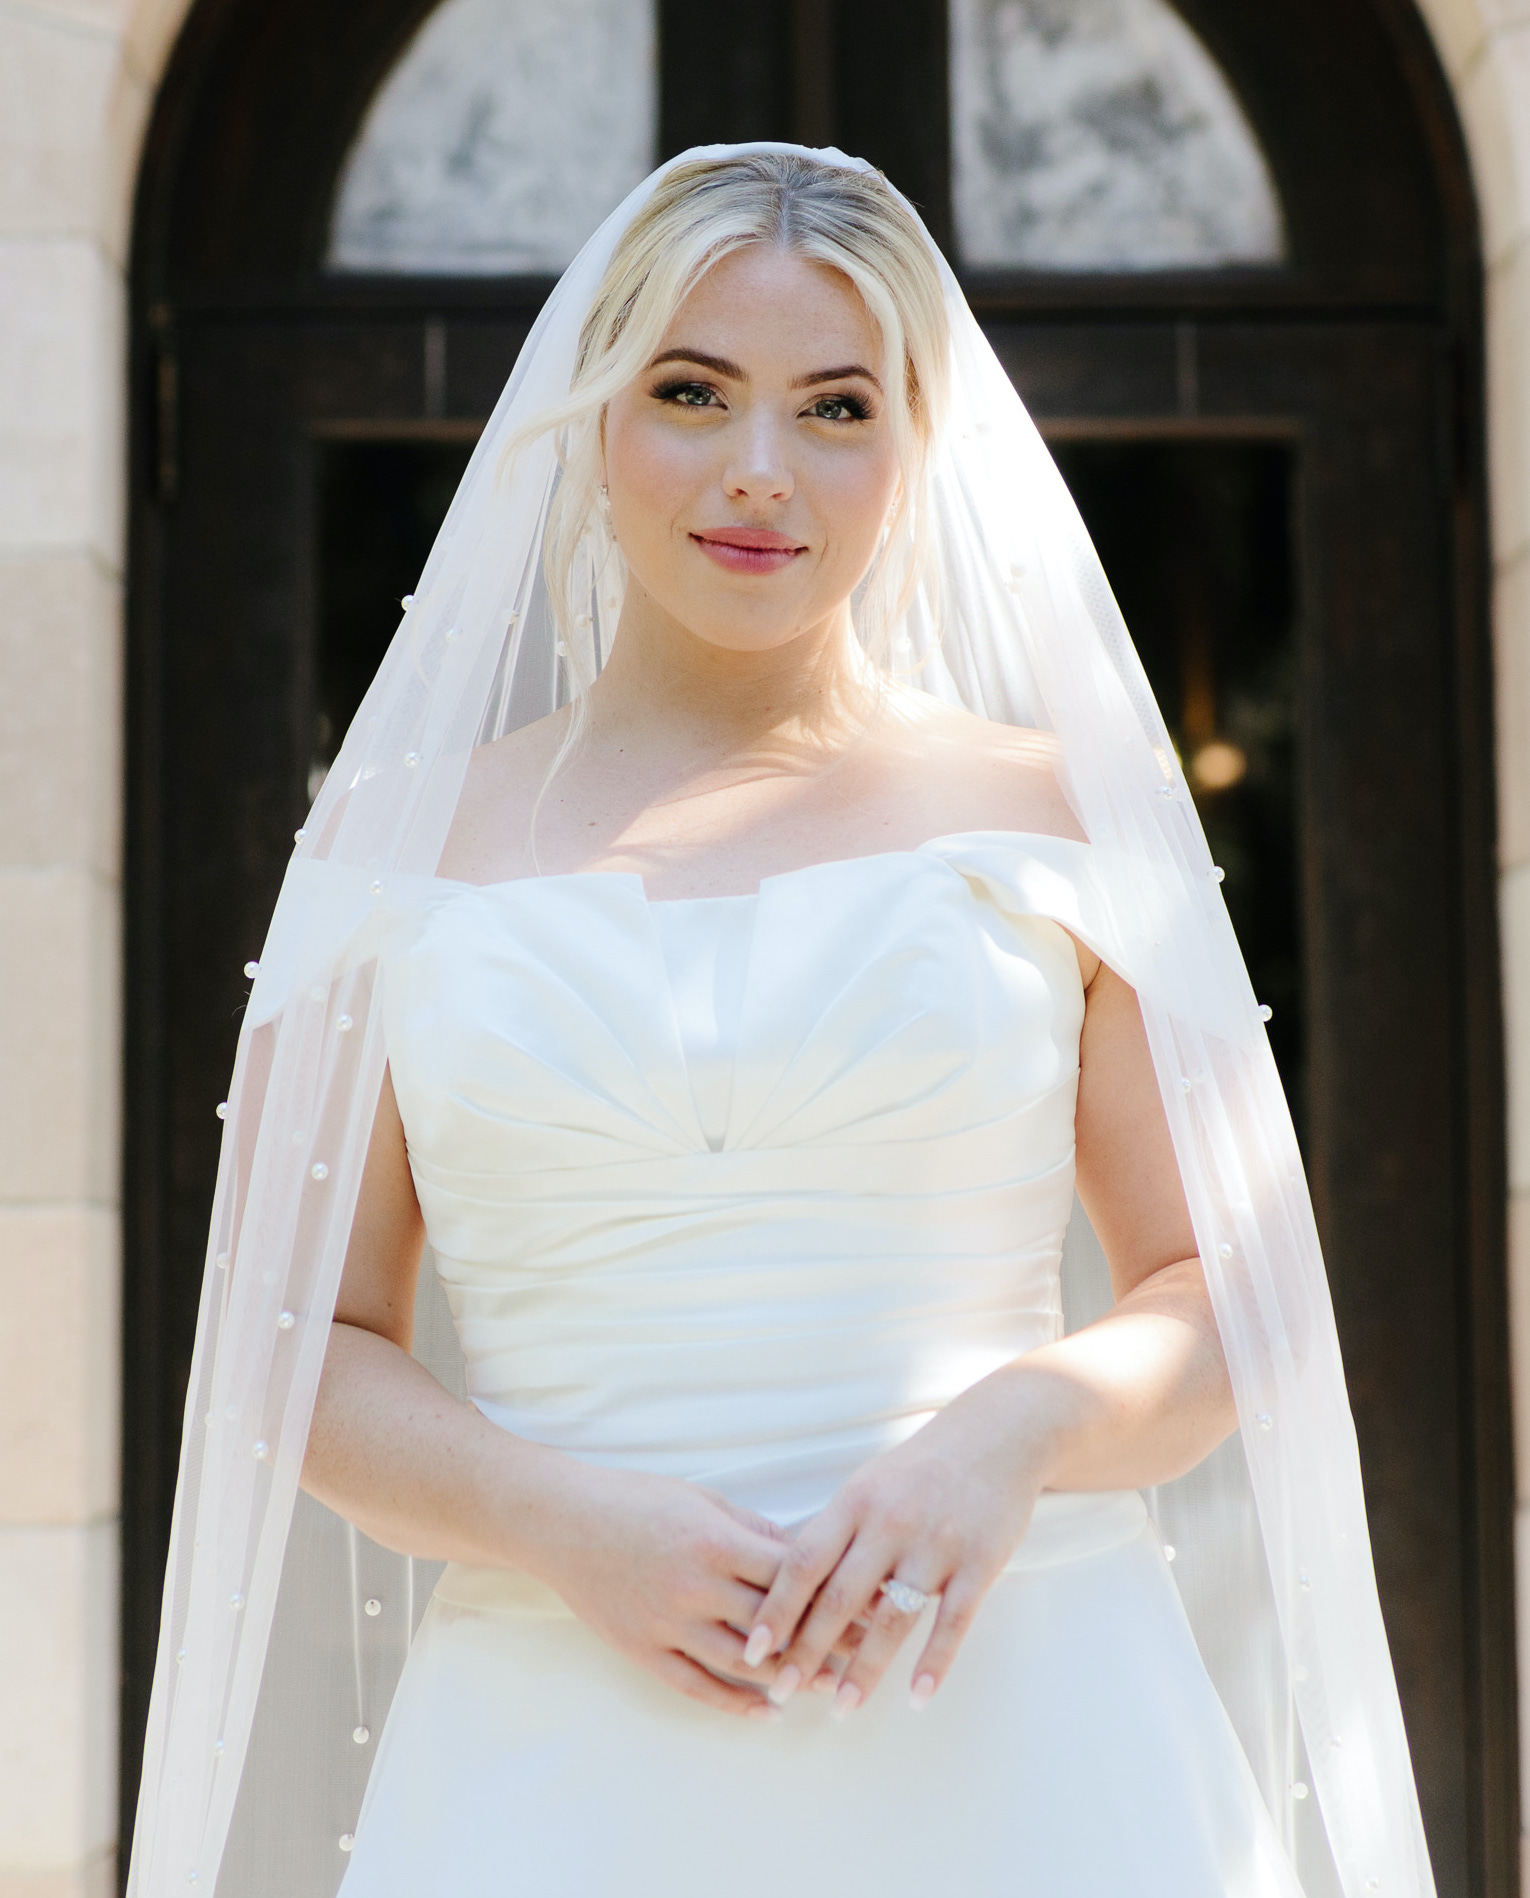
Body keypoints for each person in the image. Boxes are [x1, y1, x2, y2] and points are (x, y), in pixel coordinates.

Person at [127, 148, 1435, 1898]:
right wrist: (561, 1526)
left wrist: (1010, 1433)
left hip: (1029, 1735)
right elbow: (299, 1341)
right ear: (595, 417)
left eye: (835, 406)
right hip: (553, 1753)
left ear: (917, 442)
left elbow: (1227, 1296)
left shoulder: (1060, 813)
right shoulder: (391, 850)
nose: (761, 470)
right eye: (690, 391)